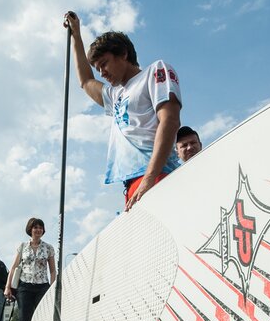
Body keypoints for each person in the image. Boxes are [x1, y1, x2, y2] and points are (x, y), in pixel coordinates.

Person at [64, 11, 182, 211]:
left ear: (123, 54)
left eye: (104, 64)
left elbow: (169, 120)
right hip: (131, 183)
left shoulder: (155, 71)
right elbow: (85, 81)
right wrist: (76, 35)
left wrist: (150, 177)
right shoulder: (115, 94)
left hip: (156, 175)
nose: (102, 73)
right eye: (97, 68)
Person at [4, 217, 56, 321]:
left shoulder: (48, 248)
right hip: (25, 287)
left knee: (42, 320)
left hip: (42, 286)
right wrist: (8, 287)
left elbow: (52, 270)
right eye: (35, 227)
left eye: (40, 227)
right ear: (30, 230)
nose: (38, 230)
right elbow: (13, 268)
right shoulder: (22, 246)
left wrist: (52, 287)